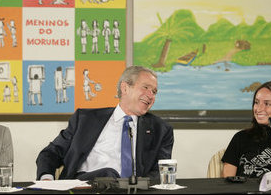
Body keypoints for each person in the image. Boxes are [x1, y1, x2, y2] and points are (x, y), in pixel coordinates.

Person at [36, 66, 174, 181]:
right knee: (108, 174)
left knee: (111, 176)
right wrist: (47, 178)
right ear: (125, 88)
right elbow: (50, 153)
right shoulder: (85, 119)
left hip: (131, 189)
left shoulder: (161, 130)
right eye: (145, 87)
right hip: (82, 186)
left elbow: (159, 172)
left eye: (154, 92)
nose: (150, 95)